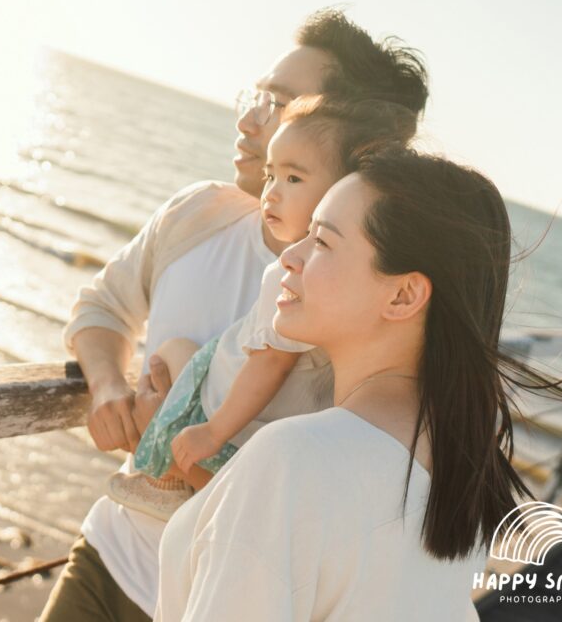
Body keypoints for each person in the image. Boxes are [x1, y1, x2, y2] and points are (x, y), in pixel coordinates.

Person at [40, 9, 430, 622]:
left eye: (279, 105)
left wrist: (183, 441)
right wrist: (110, 387)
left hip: (213, 601)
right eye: (256, 97)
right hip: (108, 549)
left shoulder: (363, 305)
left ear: (350, 142)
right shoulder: (197, 212)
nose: (249, 121)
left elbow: (336, 495)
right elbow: (103, 307)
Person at [155, 150, 562, 621]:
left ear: (403, 295)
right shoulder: (460, 468)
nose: (290, 256)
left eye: (322, 241)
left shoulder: (294, 459)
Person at [106, 95, 417, 521]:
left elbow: (272, 362)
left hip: (227, 407)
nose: (271, 193)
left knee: (175, 363)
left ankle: (165, 477)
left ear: (343, 191)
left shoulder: (290, 273)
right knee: (176, 353)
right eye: (270, 175)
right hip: (229, 381)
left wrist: (214, 431)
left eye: (293, 178)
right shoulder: (336, 280)